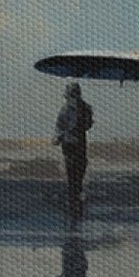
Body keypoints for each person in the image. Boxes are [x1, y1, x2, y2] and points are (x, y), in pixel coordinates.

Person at [52, 79, 94, 219]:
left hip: (77, 141)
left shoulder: (85, 108)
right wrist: (58, 136)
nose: (70, 97)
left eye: (71, 94)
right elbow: (60, 125)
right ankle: (74, 193)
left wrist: (59, 136)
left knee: (80, 165)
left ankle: (76, 191)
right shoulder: (67, 109)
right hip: (70, 142)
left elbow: (88, 124)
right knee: (73, 166)